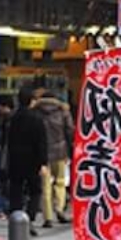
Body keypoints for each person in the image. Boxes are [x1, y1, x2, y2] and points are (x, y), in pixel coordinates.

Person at [5, 86, 47, 233]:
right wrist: (43, 162)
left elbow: (8, 140)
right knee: (35, 191)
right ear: (31, 101)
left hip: (15, 159)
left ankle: (15, 218)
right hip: (33, 160)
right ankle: (29, 218)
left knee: (16, 189)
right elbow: (41, 142)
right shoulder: (37, 119)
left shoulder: (13, 118)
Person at [34, 87, 74, 225]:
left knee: (45, 184)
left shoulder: (36, 111)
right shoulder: (63, 111)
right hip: (60, 151)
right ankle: (59, 208)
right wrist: (69, 149)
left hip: (42, 154)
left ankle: (48, 217)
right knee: (60, 182)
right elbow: (70, 131)